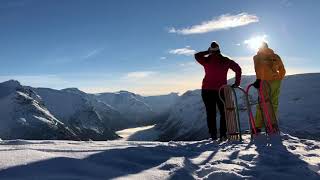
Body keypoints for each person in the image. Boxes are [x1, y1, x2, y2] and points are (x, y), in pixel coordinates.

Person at [195, 41, 242, 140]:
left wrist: (207, 52)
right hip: (221, 90)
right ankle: (223, 134)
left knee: (210, 113)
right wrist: (237, 83)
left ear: (211, 51)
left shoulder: (207, 60)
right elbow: (238, 69)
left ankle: (213, 135)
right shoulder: (225, 60)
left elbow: (197, 55)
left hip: (207, 90)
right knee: (223, 113)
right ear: (219, 50)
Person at [252, 42, 286, 132]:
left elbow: (258, 69)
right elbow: (282, 69)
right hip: (276, 82)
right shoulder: (276, 56)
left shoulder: (257, 57)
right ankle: (272, 125)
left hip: (264, 82)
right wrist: (279, 78)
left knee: (261, 103)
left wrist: (259, 80)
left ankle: (257, 127)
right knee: (274, 103)